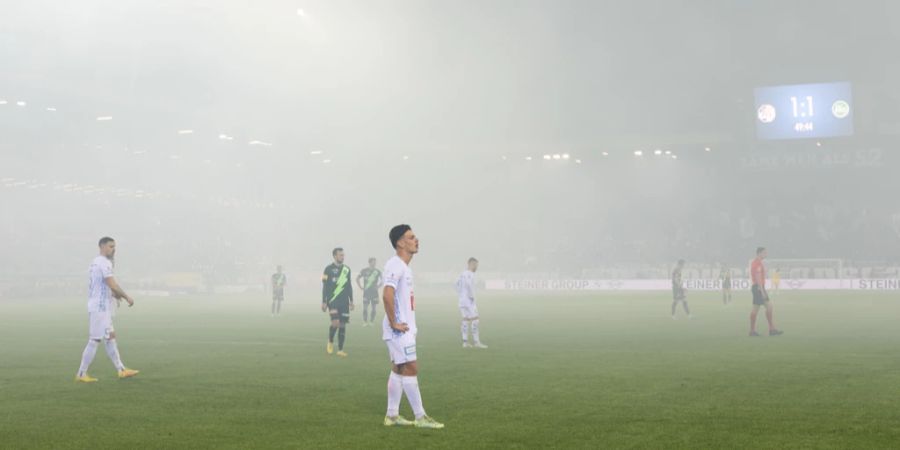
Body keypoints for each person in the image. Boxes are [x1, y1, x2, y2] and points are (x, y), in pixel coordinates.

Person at [382, 224, 444, 429]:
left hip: (403, 328)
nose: (416, 240)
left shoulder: (404, 267)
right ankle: (420, 417)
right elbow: (387, 294)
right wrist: (394, 322)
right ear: (400, 242)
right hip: (399, 330)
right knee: (411, 367)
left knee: (399, 368)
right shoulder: (396, 264)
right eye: (411, 237)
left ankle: (391, 416)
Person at [75, 237, 139, 382]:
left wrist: (114, 295)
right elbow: (112, 283)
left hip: (101, 306)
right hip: (99, 307)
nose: (113, 249)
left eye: (114, 246)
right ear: (102, 246)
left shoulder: (95, 262)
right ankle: (81, 373)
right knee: (95, 340)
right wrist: (126, 296)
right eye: (110, 246)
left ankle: (121, 369)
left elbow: (103, 285)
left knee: (110, 337)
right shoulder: (103, 263)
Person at [322, 248, 354, 356]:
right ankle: (330, 340)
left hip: (344, 301)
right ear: (335, 256)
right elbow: (325, 286)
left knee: (342, 325)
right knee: (335, 323)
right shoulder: (328, 269)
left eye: (343, 255)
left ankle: (340, 350)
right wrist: (324, 301)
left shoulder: (347, 269)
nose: (342, 257)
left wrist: (351, 300)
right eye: (340, 255)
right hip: (332, 300)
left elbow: (349, 285)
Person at [750, 247, 783, 337]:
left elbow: (758, 275)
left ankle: (771, 329)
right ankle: (753, 331)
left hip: (758, 287)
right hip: (758, 288)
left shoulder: (756, 263)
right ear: (759, 253)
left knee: (768, 307)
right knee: (757, 309)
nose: (766, 254)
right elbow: (757, 277)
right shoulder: (757, 263)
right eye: (764, 253)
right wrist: (762, 290)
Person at [456, 257, 487, 348]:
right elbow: (469, 285)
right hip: (469, 300)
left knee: (465, 319)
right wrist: (471, 296)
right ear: (471, 264)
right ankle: (476, 342)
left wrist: (461, 294)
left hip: (461, 300)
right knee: (475, 319)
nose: (476, 267)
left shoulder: (462, 274)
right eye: (476, 265)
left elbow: (455, 284)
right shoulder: (470, 274)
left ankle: (465, 342)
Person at [356, 258, 383, 326]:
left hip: (374, 292)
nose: (374, 263)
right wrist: (360, 286)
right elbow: (357, 278)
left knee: (374, 308)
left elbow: (383, 279)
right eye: (373, 262)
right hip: (366, 292)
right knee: (365, 307)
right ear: (370, 262)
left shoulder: (377, 271)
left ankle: (371, 322)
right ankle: (365, 322)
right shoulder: (364, 270)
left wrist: (378, 286)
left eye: (375, 262)